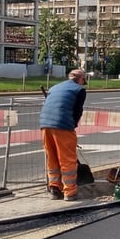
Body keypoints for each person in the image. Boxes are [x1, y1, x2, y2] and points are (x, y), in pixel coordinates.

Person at [39, 69, 88, 201]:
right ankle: (70, 192)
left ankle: (54, 188)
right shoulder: (79, 90)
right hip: (62, 125)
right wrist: (72, 126)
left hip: (45, 125)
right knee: (67, 159)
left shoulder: (55, 87)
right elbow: (77, 111)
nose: (83, 84)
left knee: (52, 157)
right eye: (83, 81)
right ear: (81, 79)